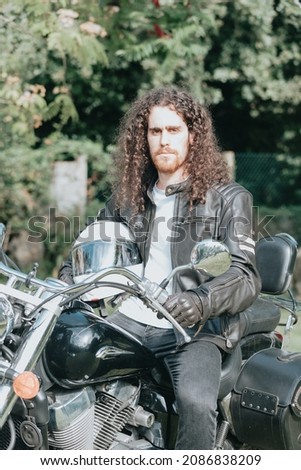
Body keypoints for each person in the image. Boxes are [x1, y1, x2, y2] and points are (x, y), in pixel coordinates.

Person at [58, 85, 261, 449]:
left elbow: (245, 275)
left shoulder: (229, 199)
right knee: (63, 356)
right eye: (155, 131)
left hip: (195, 326)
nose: (164, 140)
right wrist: (64, 284)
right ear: (143, 137)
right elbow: (88, 246)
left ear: (192, 136)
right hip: (131, 317)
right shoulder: (127, 199)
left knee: (196, 403)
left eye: (173, 130)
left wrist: (199, 300)